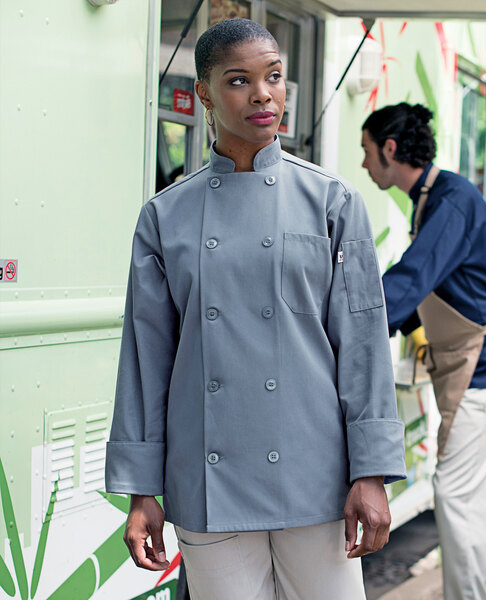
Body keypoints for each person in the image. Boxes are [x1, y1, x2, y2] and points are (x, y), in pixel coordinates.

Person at [105, 18, 406, 600]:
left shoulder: (333, 201)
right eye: (239, 80)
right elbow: (145, 359)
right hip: (207, 479)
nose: (263, 94)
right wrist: (142, 490)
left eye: (274, 76)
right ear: (205, 95)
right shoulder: (165, 217)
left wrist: (370, 473)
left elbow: (363, 345)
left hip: (317, 474)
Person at [361, 102, 486, 600]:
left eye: (366, 152)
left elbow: (414, 277)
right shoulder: (434, 197)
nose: (363, 163)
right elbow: (437, 286)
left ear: (389, 150)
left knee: (458, 495)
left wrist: (350, 325)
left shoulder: (450, 200)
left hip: (484, 368)